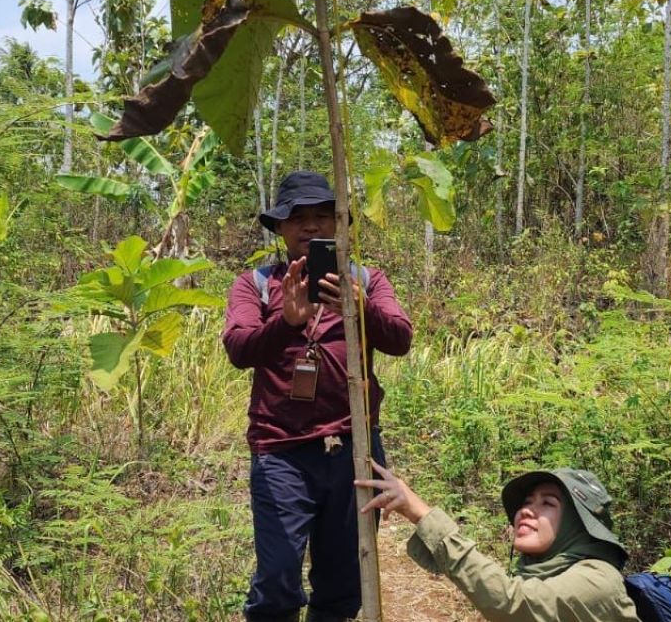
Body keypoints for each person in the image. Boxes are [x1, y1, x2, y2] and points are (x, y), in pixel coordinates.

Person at [222, 170, 413, 622]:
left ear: (339, 224)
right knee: (278, 573)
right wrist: (285, 322)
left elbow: (401, 338)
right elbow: (238, 348)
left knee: (344, 577)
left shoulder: (367, 280)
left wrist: (359, 308)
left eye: (322, 216)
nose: (311, 227)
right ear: (280, 228)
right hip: (281, 450)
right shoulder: (256, 284)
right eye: (298, 218)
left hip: (353, 446)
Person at [358, 463, 640, 622]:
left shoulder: (599, 580)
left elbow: (510, 603)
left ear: (576, 525)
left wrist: (420, 512)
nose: (527, 510)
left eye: (548, 503)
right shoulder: (540, 572)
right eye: (527, 502)